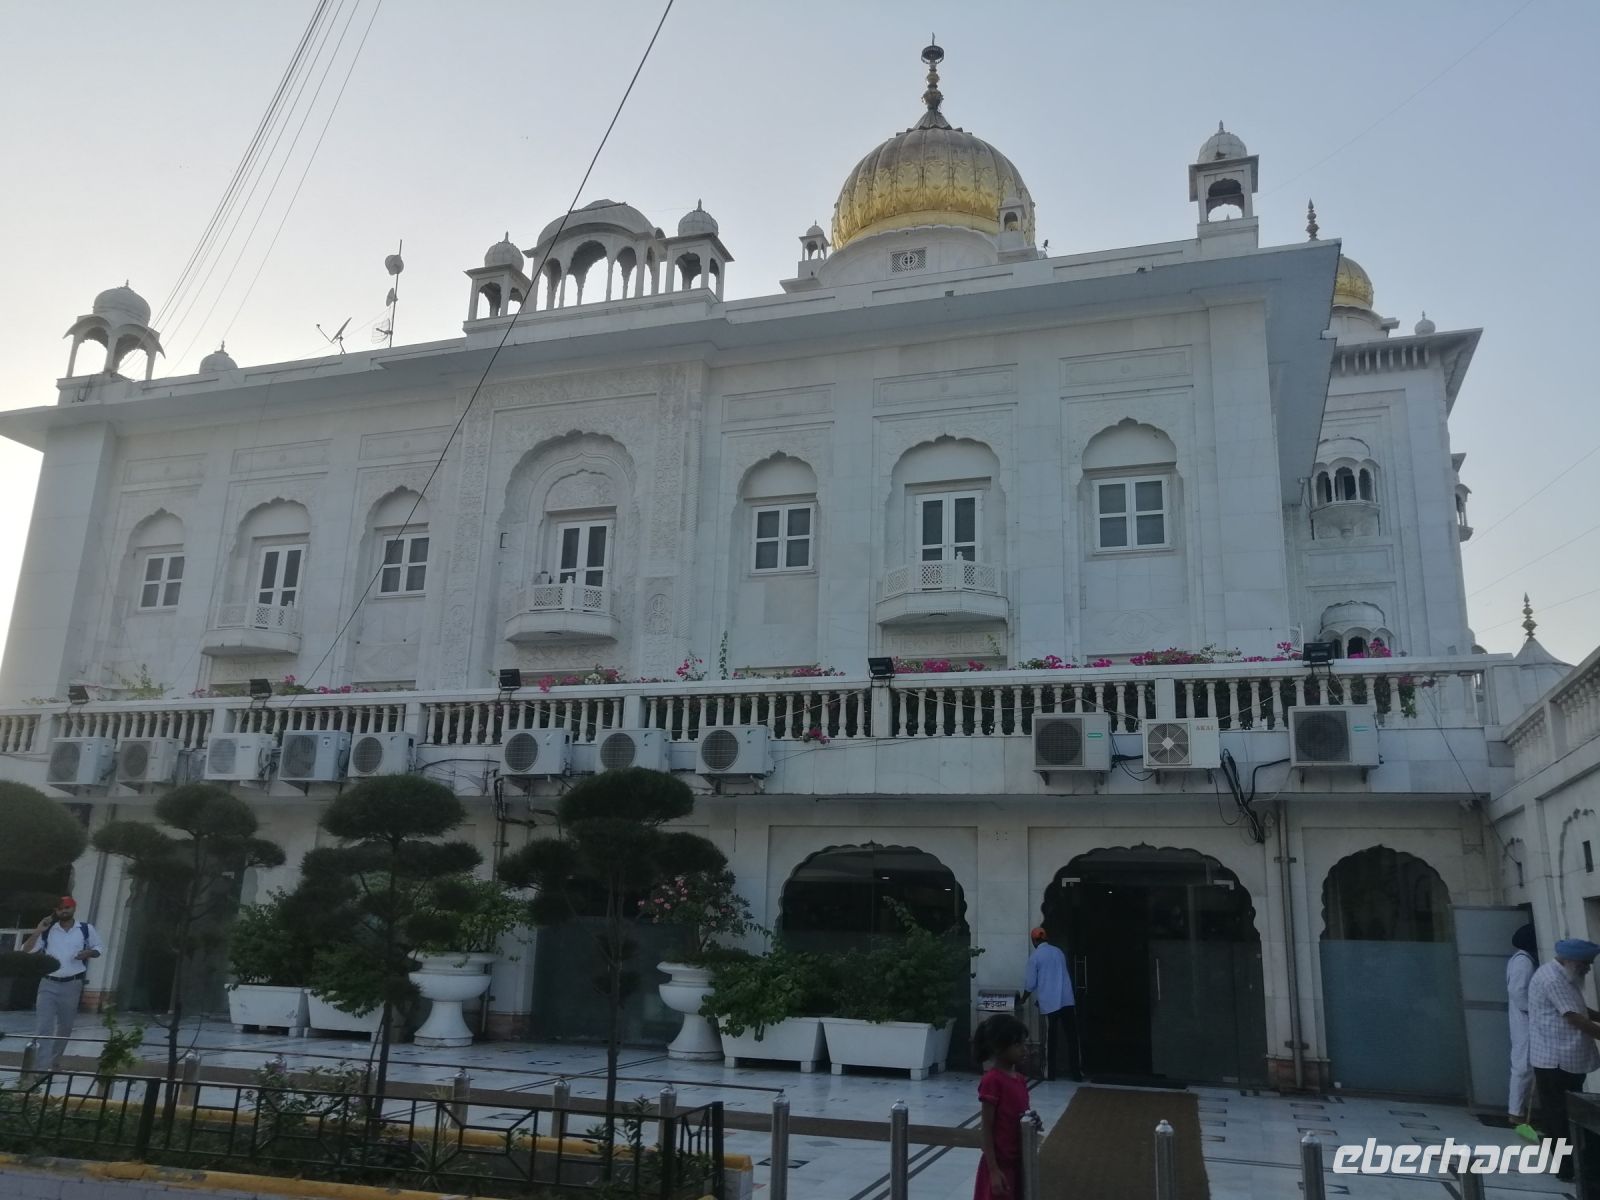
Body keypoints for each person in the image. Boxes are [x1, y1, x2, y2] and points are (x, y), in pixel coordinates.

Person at [1527, 937, 1600, 1183]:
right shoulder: (1552, 979)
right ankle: (1567, 1168)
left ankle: (1578, 1164)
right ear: (1571, 961)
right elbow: (1574, 1018)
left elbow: (1580, 1009)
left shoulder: (1565, 976)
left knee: (1570, 1114)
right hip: (1555, 1061)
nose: (1588, 969)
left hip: (1565, 1059)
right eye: (1586, 964)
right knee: (1559, 1118)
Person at [20, 897, 103, 1072]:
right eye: (60, 909)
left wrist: (88, 952)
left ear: (73, 908)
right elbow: (26, 950)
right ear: (55, 911)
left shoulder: (86, 929)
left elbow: (98, 948)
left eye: (67, 907)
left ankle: (54, 1062)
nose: (63, 911)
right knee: (44, 1026)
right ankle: (41, 1068)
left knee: (65, 1026)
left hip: (72, 984)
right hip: (48, 983)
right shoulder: (48, 931)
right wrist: (37, 930)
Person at [973, 1013, 1032, 1200]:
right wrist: (993, 1171)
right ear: (999, 1047)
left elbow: (1022, 1117)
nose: (1024, 1049)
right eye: (1017, 1044)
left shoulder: (1020, 1080)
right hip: (999, 1166)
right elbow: (987, 1129)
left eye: (1024, 1043)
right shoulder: (993, 1081)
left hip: (1018, 1163)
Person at [1021, 926, 1080, 1081]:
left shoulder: (1035, 957)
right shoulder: (1058, 952)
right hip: (1067, 1000)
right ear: (1045, 938)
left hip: (1050, 1004)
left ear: (1034, 940)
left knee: (1050, 1040)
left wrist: (1024, 998)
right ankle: (1077, 1074)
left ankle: (1050, 1073)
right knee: (1072, 1038)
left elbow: (1030, 983)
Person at [1507, 923, 1538, 1126]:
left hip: (1524, 1020)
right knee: (1523, 1067)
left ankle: (1521, 1110)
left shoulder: (1520, 959)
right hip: (1525, 1021)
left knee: (1525, 1066)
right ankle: (1516, 1113)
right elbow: (1517, 991)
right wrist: (1533, 1010)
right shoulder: (1523, 962)